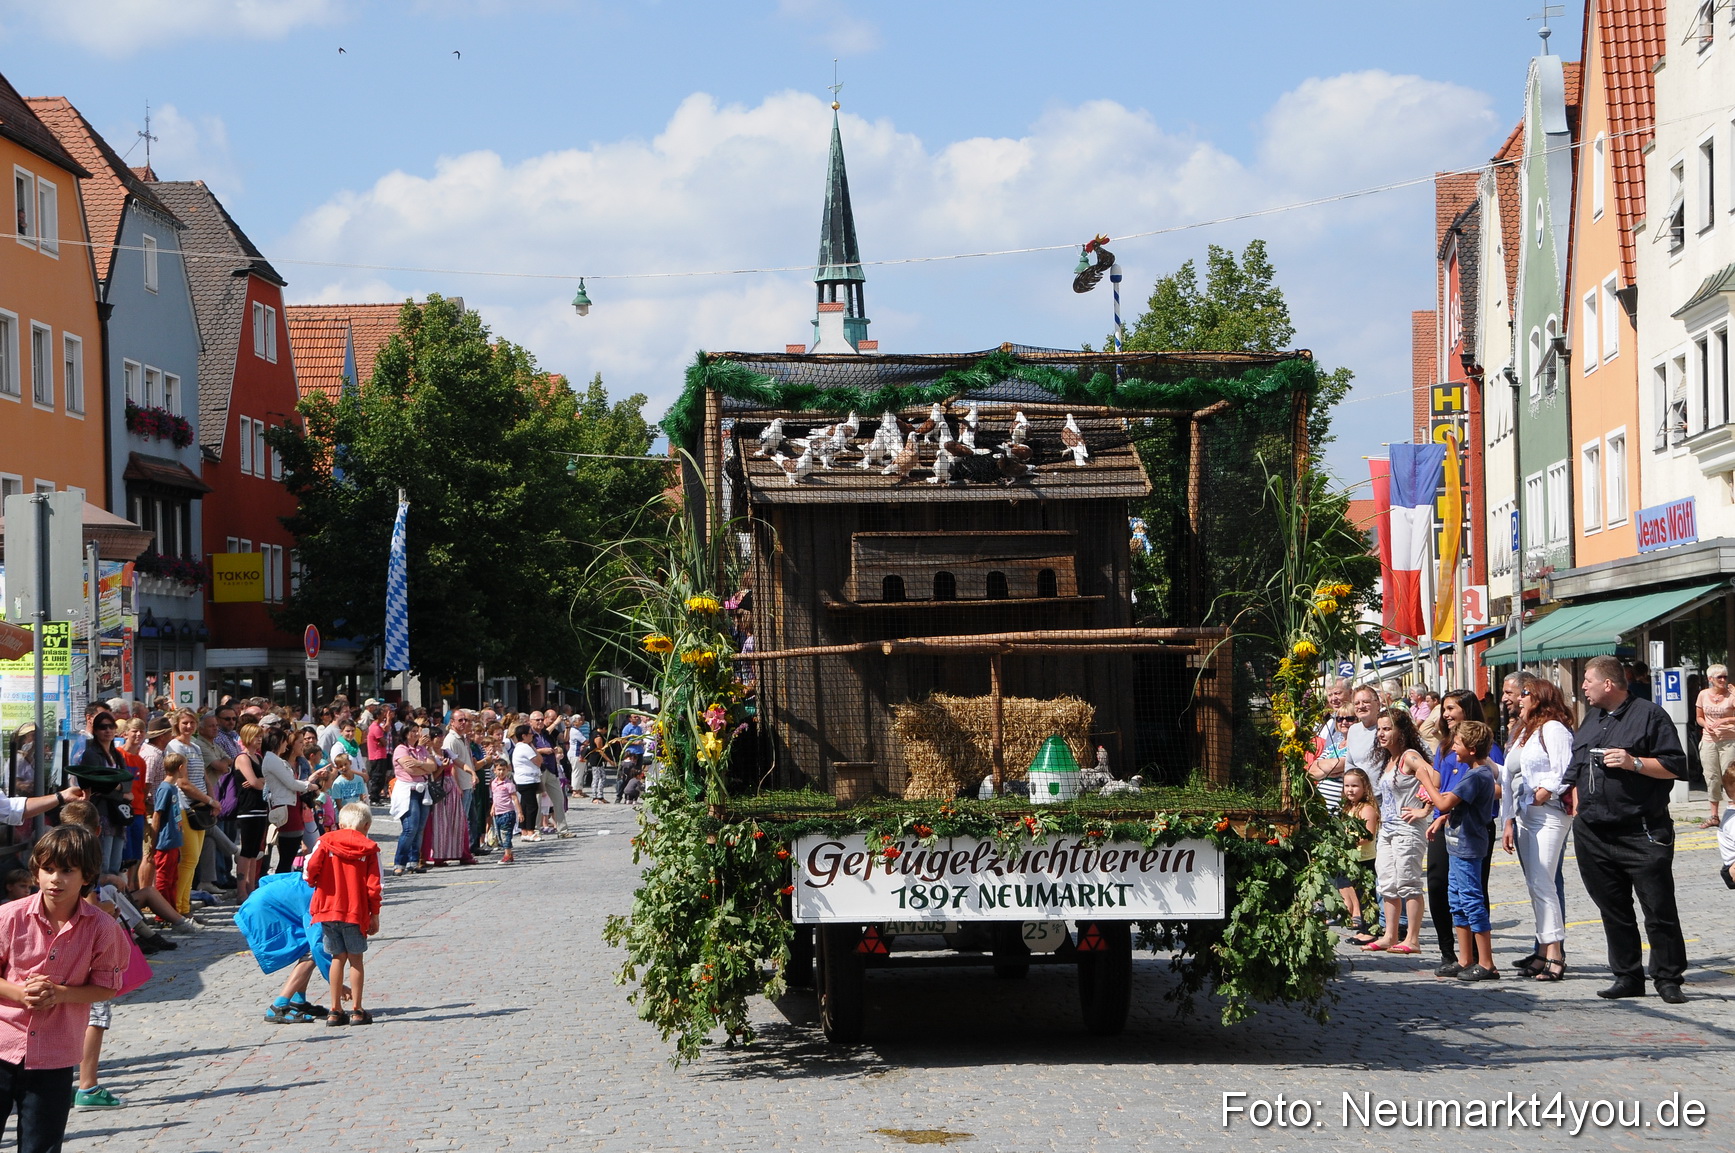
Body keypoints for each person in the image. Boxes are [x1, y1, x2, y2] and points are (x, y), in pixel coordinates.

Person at [1565, 654, 1689, 1003]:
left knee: (1658, 909)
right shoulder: (1591, 718)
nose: (1583, 686)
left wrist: (1634, 762)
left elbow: (1676, 766)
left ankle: (1668, 979)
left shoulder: (1650, 715)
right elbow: (1577, 765)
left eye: (1588, 680)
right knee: (1613, 908)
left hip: (1642, 831)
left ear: (1608, 683)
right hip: (1594, 831)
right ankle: (1627, 975)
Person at [0, 825, 131, 1150]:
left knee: (40, 1145)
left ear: (86, 876)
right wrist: (21, 994)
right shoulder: (9, 917)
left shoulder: (102, 928)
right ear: (36, 872)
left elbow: (106, 987)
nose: (55, 879)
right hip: (2, 1044)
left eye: (67, 871)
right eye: (48, 869)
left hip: (54, 1056)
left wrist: (60, 995)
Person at [1421, 690, 1502, 972]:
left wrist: (1423, 777)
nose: (1445, 714)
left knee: (1472, 898)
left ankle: (1486, 962)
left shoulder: (1478, 772)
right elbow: (1450, 804)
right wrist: (1439, 817)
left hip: (1469, 842)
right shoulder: (1455, 757)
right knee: (1453, 897)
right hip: (1453, 837)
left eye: (1451, 708)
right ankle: (1462, 958)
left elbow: (1446, 799)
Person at [1502, 677, 1575, 982]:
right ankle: (1543, 950)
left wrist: (1548, 790)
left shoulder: (1554, 729)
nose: (1520, 699)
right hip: (1524, 815)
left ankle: (1556, 954)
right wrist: (1506, 819)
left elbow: (1566, 768)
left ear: (1540, 697)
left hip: (1549, 814)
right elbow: (1508, 778)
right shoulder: (1523, 732)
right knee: (1535, 884)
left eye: (1525, 694)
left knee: (1544, 881)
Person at [303, 803, 381, 1026]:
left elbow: (310, 869)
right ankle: (357, 1009)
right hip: (355, 911)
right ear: (366, 825)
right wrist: (374, 913)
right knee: (356, 959)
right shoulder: (369, 848)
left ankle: (335, 1009)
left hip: (327, 908)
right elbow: (373, 886)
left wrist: (314, 881)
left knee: (337, 957)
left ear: (340, 823)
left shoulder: (325, 842)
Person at [1364, 710, 1431, 955]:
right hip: (1388, 829)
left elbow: (1434, 777)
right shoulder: (1389, 760)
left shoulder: (1409, 756)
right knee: (1387, 883)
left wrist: (1424, 809)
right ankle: (1389, 935)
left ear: (1401, 731)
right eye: (1379, 729)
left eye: (1387, 729)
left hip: (1408, 829)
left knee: (1408, 882)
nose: (1381, 734)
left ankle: (1412, 938)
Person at [262, 728, 323, 875]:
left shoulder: (274, 759)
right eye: (284, 742)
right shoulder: (272, 760)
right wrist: (311, 785)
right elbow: (291, 783)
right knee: (287, 854)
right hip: (287, 808)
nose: (286, 745)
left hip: (292, 805)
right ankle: (282, 885)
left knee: (290, 851)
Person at [419, 726, 473, 866]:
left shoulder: (446, 752)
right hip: (438, 790)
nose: (440, 738)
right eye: (436, 736)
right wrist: (442, 767)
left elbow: (460, 763)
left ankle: (461, 853)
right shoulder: (429, 754)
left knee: (457, 821)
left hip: (451, 789)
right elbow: (433, 776)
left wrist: (471, 773)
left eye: (441, 735)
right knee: (439, 824)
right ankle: (438, 856)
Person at [389, 723, 436, 876]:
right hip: (408, 790)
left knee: (420, 828)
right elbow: (409, 769)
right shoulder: (401, 749)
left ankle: (413, 862)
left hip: (423, 789)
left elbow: (433, 766)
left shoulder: (422, 749)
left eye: (418, 731)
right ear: (405, 733)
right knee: (410, 828)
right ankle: (399, 862)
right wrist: (423, 766)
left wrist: (419, 763)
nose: (416, 734)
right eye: (413, 731)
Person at [1337, 767, 1378, 937]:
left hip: (1364, 858)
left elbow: (1368, 836)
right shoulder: (1348, 808)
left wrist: (1348, 842)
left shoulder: (1367, 808)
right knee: (1349, 887)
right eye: (1347, 786)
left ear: (1365, 787)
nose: (1350, 790)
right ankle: (1359, 923)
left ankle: (1370, 929)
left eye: (1354, 786)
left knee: (1367, 895)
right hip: (1350, 858)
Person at [1694, 664, 1735, 830]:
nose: (1723, 680)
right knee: (1711, 776)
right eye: (1719, 677)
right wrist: (1705, 725)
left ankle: (1731, 814)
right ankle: (1714, 816)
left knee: (1730, 777)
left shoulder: (1731, 694)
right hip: (1709, 740)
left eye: (1725, 676)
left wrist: (1725, 720)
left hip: (1729, 740)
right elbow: (1699, 717)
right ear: (1710, 679)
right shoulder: (1703, 694)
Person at [490, 761, 521, 865]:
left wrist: (520, 812)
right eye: (499, 770)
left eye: (503, 770)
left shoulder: (509, 784)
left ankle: (507, 855)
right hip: (498, 813)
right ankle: (509, 854)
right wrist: (493, 807)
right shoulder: (493, 783)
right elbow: (495, 797)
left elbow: (515, 798)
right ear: (494, 771)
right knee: (500, 835)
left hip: (508, 813)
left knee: (505, 835)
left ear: (508, 770)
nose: (501, 772)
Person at [366, 704, 394, 805]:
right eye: (382, 714)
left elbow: (385, 732)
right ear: (378, 715)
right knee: (377, 777)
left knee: (381, 776)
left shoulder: (378, 726)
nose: (384, 716)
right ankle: (373, 797)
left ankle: (376, 796)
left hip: (381, 754)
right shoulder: (375, 727)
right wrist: (382, 741)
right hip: (376, 755)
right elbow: (384, 742)